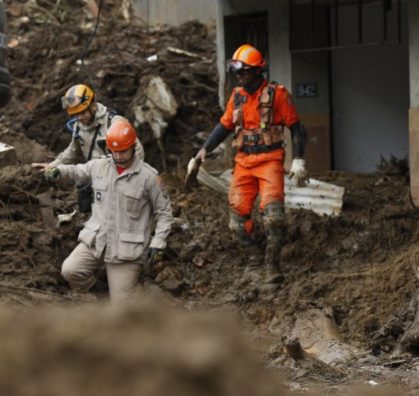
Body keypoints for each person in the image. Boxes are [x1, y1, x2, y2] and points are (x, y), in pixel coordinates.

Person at [191, 43, 307, 283]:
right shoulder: (237, 97)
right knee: (236, 224)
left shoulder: (277, 94)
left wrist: (298, 159)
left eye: (243, 71)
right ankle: (254, 256)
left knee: (274, 217)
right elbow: (224, 126)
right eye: (236, 72)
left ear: (256, 71)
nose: (239, 76)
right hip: (243, 163)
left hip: (270, 161)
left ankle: (271, 265)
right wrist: (204, 150)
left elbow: (297, 128)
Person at [42, 119, 173, 304]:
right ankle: (101, 294)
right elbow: (76, 170)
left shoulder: (149, 177)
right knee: (70, 271)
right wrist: (57, 171)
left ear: (133, 147)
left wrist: (158, 243)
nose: (118, 156)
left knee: (121, 307)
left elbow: (165, 213)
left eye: (123, 151)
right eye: (114, 151)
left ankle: (126, 294)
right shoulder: (99, 166)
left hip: (126, 250)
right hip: (97, 240)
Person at [33, 84, 145, 213]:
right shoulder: (79, 126)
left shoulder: (114, 123)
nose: (80, 117)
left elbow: (137, 151)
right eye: (76, 114)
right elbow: (72, 152)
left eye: (82, 112)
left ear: (93, 105)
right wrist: (52, 166)